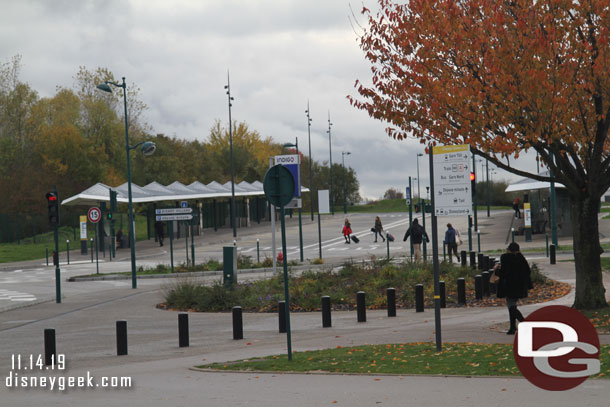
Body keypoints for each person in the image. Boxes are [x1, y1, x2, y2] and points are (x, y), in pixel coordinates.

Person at [493, 242, 532, 335]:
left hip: (509, 285)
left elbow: (503, 272)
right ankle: (512, 327)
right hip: (520, 285)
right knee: (512, 305)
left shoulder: (505, 257)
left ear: (509, 249)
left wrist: (496, 269)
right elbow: (527, 271)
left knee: (511, 306)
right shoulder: (521, 258)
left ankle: (524, 323)